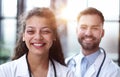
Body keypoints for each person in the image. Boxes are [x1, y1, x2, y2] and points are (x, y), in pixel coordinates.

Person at [0, 7, 74, 77]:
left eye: (45, 31)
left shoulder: (66, 74)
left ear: (54, 36)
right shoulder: (5, 72)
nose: (38, 37)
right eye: (31, 31)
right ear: (23, 36)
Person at [66, 7, 120, 77]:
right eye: (83, 27)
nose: (88, 33)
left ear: (102, 33)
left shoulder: (114, 72)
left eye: (95, 28)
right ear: (77, 31)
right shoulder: (66, 64)